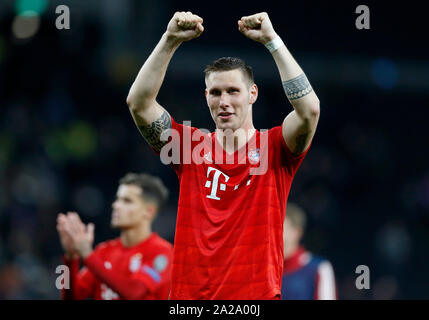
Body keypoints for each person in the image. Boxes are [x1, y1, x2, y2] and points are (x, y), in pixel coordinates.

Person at [126, 11, 320, 299]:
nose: (224, 102)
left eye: (233, 91)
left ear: (252, 93)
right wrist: (169, 40)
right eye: (216, 92)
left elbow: (310, 110)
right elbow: (138, 103)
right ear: (206, 96)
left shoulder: (275, 148)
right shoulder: (188, 148)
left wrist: (272, 41)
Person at [56, 173, 173, 300]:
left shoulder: (162, 252)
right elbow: (70, 298)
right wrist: (70, 259)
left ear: (149, 211)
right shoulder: (103, 251)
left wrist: (88, 255)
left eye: (127, 201)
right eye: (117, 199)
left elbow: (134, 292)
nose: (115, 205)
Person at [281, 203, 337, 300]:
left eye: (281, 227)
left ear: (297, 232)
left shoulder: (318, 268)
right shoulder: (263, 268)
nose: (274, 232)